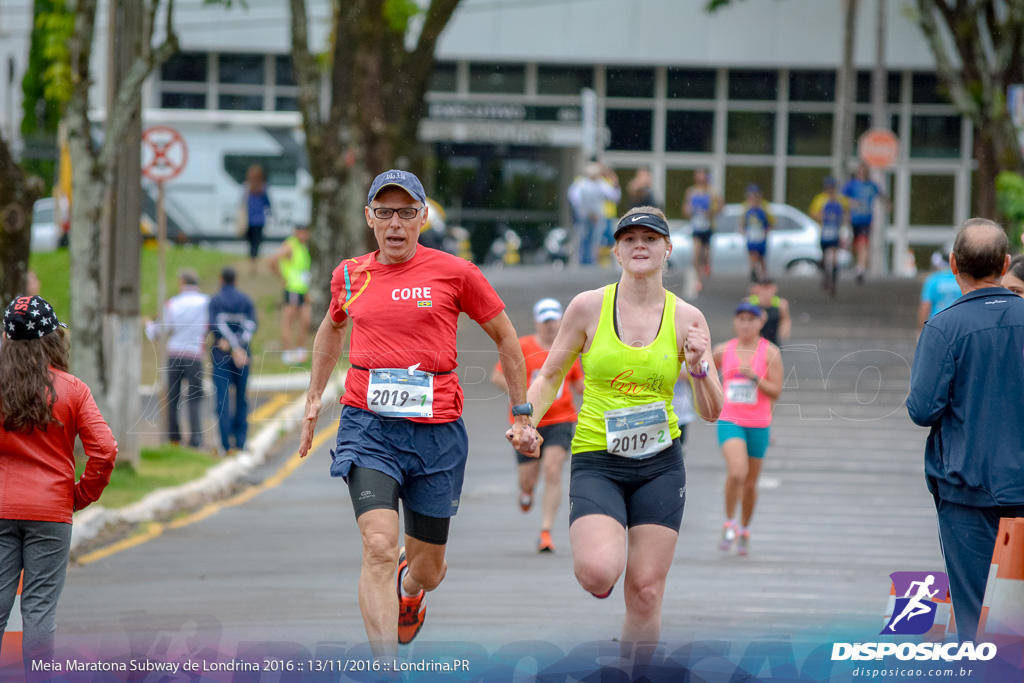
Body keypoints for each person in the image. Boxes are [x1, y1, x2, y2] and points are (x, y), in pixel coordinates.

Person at [296, 169, 537, 658]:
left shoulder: (456, 273)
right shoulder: (351, 274)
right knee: (379, 546)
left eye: (407, 212)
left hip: (436, 435)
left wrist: (522, 413)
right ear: (369, 218)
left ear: (423, 217)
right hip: (368, 428)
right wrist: (312, 397)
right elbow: (330, 329)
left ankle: (411, 589)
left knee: (429, 570)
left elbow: (507, 337)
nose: (396, 224)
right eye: (384, 212)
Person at [518, 206, 723, 646]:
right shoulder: (588, 307)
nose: (640, 247)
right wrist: (525, 420)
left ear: (668, 249)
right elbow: (550, 374)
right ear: (616, 250)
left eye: (650, 239)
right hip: (598, 459)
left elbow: (712, 411)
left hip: (660, 465)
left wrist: (700, 367)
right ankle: (602, 574)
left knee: (646, 592)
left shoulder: (688, 319)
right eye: (629, 239)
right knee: (597, 572)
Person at [907, 217, 1024, 642]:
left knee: (976, 614)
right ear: (1005, 262)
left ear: (954, 264)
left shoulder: (944, 327)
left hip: (967, 487)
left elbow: (922, 409)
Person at [0, 295, 117, 667]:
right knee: (39, 610)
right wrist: (79, 495)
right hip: (51, 512)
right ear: (53, 338)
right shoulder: (73, 389)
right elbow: (106, 450)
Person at [491, 298, 583, 553]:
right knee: (528, 480)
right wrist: (520, 393)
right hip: (527, 422)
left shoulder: (569, 350)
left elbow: (578, 382)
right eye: (545, 321)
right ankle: (527, 492)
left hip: (562, 419)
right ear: (537, 322)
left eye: (554, 320)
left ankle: (546, 532)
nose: (550, 326)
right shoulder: (523, 346)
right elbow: (498, 374)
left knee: (553, 470)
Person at [712, 302, 783, 557]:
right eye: (740, 319)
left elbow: (777, 390)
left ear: (760, 322)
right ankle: (729, 523)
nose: (745, 324)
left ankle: (744, 529)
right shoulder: (723, 350)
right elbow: (701, 374)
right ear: (735, 322)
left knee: (751, 484)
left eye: (750, 320)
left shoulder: (770, 352)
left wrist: (754, 377)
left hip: (759, 423)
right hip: (730, 420)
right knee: (737, 472)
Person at [144, 268, 210, 448]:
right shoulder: (206, 302)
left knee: (173, 398)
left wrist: (148, 324)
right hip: (195, 354)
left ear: (182, 282)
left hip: (174, 354)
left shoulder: (172, 303)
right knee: (195, 398)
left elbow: (158, 331)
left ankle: (174, 438)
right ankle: (196, 439)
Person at [208, 267, 257, 455]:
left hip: (221, 356)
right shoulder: (246, 300)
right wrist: (239, 347)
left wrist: (231, 345)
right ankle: (241, 441)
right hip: (243, 357)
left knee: (222, 399)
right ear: (236, 280)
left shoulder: (216, 300)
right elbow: (251, 326)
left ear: (221, 279)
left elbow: (215, 324)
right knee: (242, 398)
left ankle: (225, 444)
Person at [268, 225, 312, 364]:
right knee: (289, 321)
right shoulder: (290, 245)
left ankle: (300, 351)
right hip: (292, 289)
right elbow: (272, 260)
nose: (303, 235)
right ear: (296, 233)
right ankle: (287, 352)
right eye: (300, 233)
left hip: (303, 289)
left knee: (306, 320)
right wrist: (282, 278)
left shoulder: (303, 247)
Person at [842, 163, 889, 284]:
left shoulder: (871, 185)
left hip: (866, 220)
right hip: (853, 219)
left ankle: (861, 267)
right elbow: (841, 197)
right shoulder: (852, 185)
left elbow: (881, 195)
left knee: (863, 243)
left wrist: (888, 204)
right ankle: (858, 264)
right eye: (860, 171)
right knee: (855, 244)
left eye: (864, 171)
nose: (862, 173)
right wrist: (850, 203)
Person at [809, 176, 850, 297]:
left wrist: (842, 220)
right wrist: (823, 217)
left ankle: (833, 282)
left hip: (835, 233)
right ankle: (826, 277)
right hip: (824, 233)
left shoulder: (841, 200)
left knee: (833, 256)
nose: (830, 190)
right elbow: (813, 213)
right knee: (824, 257)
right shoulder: (820, 199)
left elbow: (847, 214)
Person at [683, 168, 723, 289]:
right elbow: (685, 209)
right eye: (698, 175)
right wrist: (689, 210)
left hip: (707, 227)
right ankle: (698, 279)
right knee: (696, 253)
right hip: (696, 227)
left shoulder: (712, 192)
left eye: (702, 175)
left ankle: (706, 265)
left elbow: (720, 208)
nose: (700, 177)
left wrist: (710, 211)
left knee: (705, 254)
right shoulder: (691, 191)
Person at [567, 163, 607, 266]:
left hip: (589, 216)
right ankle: (586, 261)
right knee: (587, 239)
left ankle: (586, 261)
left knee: (589, 239)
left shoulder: (598, 184)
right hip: (588, 216)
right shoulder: (584, 185)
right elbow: (576, 199)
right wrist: (588, 212)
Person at [917, 246, 961, 336]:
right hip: (959, 324)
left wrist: (920, 329)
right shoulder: (962, 279)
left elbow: (925, 306)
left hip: (936, 325)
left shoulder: (933, 280)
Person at [241, 164, 272, 271]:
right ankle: (255, 262)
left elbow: (242, 203)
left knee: (250, 242)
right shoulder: (263, 187)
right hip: (259, 220)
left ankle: (251, 261)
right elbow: (267, 203)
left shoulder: (246, 187)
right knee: (257, 241)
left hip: (249, 219)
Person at [741, 184, 773, 282]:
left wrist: (766, 231)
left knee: (761, 257)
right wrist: (743, 230)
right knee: (753, 254)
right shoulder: (746, 208)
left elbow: (770, 222)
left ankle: (763, 275)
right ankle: (754, 271)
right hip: (752, 237)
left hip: (760, 236)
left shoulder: (764, 208)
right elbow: (742, 222)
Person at [747, 276, 790, 347]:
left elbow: (785, 319)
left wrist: (785, 329)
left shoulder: (781, 304)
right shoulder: (751, 302)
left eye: (769, 288)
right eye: (764, 288)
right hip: (756, 337)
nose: (767, 291)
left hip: (773, 336)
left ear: (774, 289)